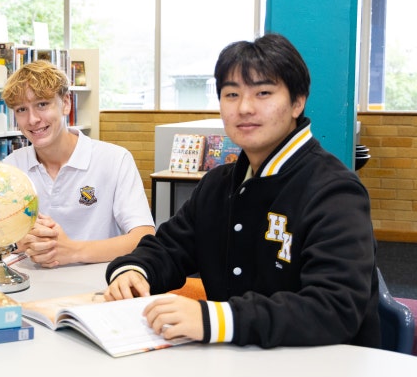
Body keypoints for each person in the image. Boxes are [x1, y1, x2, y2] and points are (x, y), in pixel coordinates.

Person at [105, 33, 380, 349]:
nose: (244, 108)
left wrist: (215, 319)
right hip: (236, 365)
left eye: (263, 92)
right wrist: (134, 271)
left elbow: (335, 309)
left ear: (297, 102)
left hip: (320, 375)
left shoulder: (334, 191)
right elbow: (169, 247)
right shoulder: (218, 184)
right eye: (231, 94)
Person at [1, 60, 155, 268]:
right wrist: (18, 241)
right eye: (21, 109)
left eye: (42, 104)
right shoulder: (11, 166)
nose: (33, 119)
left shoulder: (115, 160)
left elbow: (143, 237)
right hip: (30, 285)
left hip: (98, 288)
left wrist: (72, 251)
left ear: (66, 103)